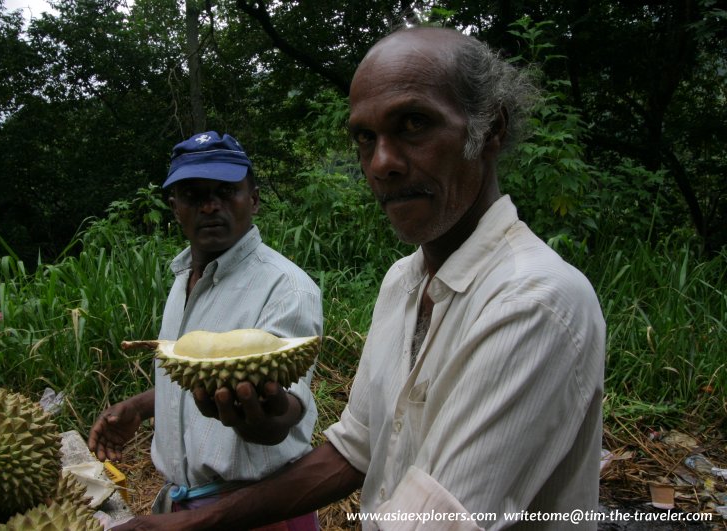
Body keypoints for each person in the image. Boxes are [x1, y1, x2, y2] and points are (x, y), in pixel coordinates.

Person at [112, 26, 606, 531]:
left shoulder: (534, 302)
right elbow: (355, 450)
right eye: (365, 138)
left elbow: (433, 523)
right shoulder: (401, 282)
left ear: (491, 129)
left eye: (414, 123)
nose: (382, 163)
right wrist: (195, 522)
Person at [88, 131, 323, 529]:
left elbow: (287, 408)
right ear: (175, 206)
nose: (211, 206)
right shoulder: (183, 280)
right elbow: (199, 368)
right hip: (185, 508)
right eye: (194, 195)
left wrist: (265, 418)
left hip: (260, 509)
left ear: (253, 199)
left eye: (226, 191)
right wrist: (140, 408)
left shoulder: (286, 287)